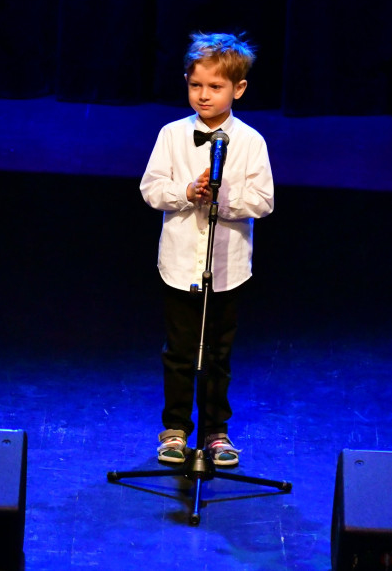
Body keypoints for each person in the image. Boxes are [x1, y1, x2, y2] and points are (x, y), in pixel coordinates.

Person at [139, 32, 274, 467]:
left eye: (215, 87)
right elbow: (151, 189)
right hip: (179, 266)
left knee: (217, 353)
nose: (204, 95)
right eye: (196, 85)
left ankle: (216, 431)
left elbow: (264, 201)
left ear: (238, 89)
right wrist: (186, 191)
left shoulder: (252, 142)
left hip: (228, 268)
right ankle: (175, 428)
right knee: (179, 352)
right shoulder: (171, 135)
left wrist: (223, 198)